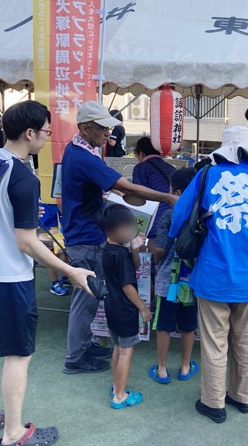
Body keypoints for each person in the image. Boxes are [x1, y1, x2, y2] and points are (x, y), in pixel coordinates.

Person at [0, 100, 96, 446]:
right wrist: (72, 271)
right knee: (18, 355)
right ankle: (14, 433)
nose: (48, 138)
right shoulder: (23, 176)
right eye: (47, 132)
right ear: (30, 132)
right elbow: (25, 242)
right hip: (9, 275)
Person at [170, 126, 248, 424]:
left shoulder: (206, 176)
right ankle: (243, 396)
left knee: (214, 341)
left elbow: (180, 217)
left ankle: (213, 402)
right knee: (247, 339)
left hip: (212, 274)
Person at [61, 101, 178, 375]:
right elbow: (124, 186)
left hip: (87, 232)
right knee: (86, 297)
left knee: (91, 296)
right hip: (86, 236)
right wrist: (167, 197)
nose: (108, 133)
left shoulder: (78, 149)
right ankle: (75, 357)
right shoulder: (84, 157)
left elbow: (118, 189)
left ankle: (84, 346)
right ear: (84, 128)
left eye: (109, 127)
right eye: (102, 128)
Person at [149, 168, 199, 384]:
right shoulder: (200, 213)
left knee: (164, 326)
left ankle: (162, 369)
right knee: (188, 326)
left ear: (176, 191)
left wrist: (158, 264)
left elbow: (159, 248)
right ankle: (185, 367)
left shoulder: (169, 215)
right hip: (192, 280)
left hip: (167, 282)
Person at [99, 204, 152, 408]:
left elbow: (136, 266)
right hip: (125, 310)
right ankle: (120, 396)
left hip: (112, 307)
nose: (131, 231)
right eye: (126, 228)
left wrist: (134, 250)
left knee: (118, 348)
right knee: (126, 352)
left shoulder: (112, 250)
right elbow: (128, 287)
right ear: (112, 231)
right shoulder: (120, 255)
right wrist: (143, 308)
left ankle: (116, 386)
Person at [132, 137, 176, 244]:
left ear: (141, 154)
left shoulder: (141, 168)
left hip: (155, 221)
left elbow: (138, 196)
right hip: (174, 218)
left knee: (153, 253)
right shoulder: (171, 168)